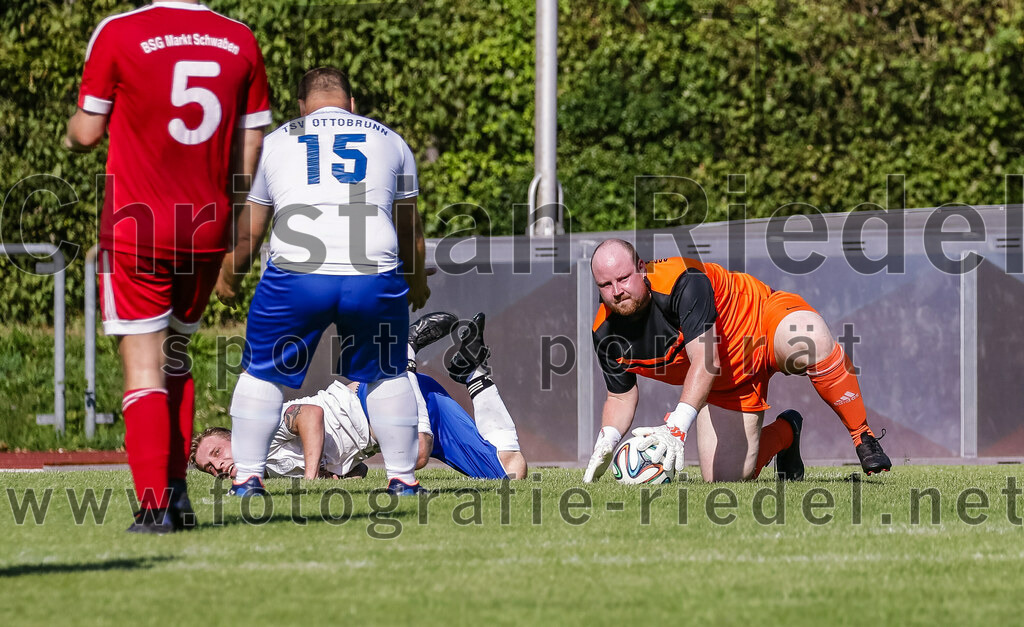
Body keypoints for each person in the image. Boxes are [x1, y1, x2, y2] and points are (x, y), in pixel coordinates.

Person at [65, 0, 271, 533]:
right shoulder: (240, 40)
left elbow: (86, 131)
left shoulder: (119, 33)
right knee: (177, 354)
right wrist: (235, 226)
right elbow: (251, 148)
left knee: (144, 366)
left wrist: (78, 127)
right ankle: (177, 497)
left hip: (139, 227)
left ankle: (155, 506)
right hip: (206, 228)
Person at [214, 66, 432, 498]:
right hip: (373, 270)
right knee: (387, 374)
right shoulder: (391, 140)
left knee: (261, 373)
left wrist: (228, 278)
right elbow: (410, 230)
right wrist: (417, 280)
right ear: (352, 104)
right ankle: (403, 480)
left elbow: (249, 232)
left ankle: (247, 479)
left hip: (298, 273)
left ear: (300, 106)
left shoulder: (274, 143)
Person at [583, 239, 892, 483]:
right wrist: (607, 439)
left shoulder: (683, 281)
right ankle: (787, 433)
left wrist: (676, 427)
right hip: (725, 380)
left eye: (623, 278)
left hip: (762, 325)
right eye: (605, 285)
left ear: (641, 267)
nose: (616, 291)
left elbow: (704, 359)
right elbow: (620, 396)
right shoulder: (604, 330)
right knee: (724, 480)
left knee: (809, 338)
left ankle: (862, 435)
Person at [191, 312, 527, 481]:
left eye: (217, 452)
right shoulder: (271, 471)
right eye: (210, 467)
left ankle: (403, 354)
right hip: (414, 404)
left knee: (414, 455)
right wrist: (334, 473)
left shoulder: (261, 429)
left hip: (374, 397)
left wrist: (311, 480)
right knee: (510, 475)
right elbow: (361, 470)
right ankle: (474, 371)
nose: (219, 465)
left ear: (235, 436)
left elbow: (310, 415)